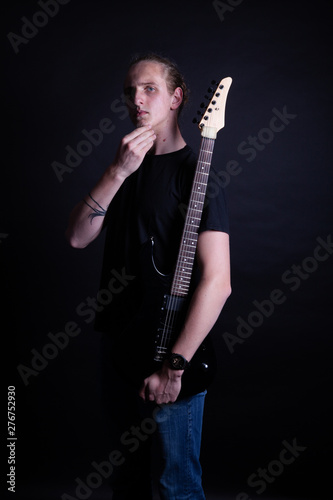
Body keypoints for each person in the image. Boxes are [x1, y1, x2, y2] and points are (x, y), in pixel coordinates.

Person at [66, 53, 231, 500]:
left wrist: (174, 367)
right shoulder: (122, 167)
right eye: (130, 90)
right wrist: (116, 172)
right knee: (125, 482)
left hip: (171, 357)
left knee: (177, 485)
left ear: (177, 98)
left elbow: (218, 281)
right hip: (119, 350)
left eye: (149, 88)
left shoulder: (196, 176)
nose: (135, 99)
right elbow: (78, 238)